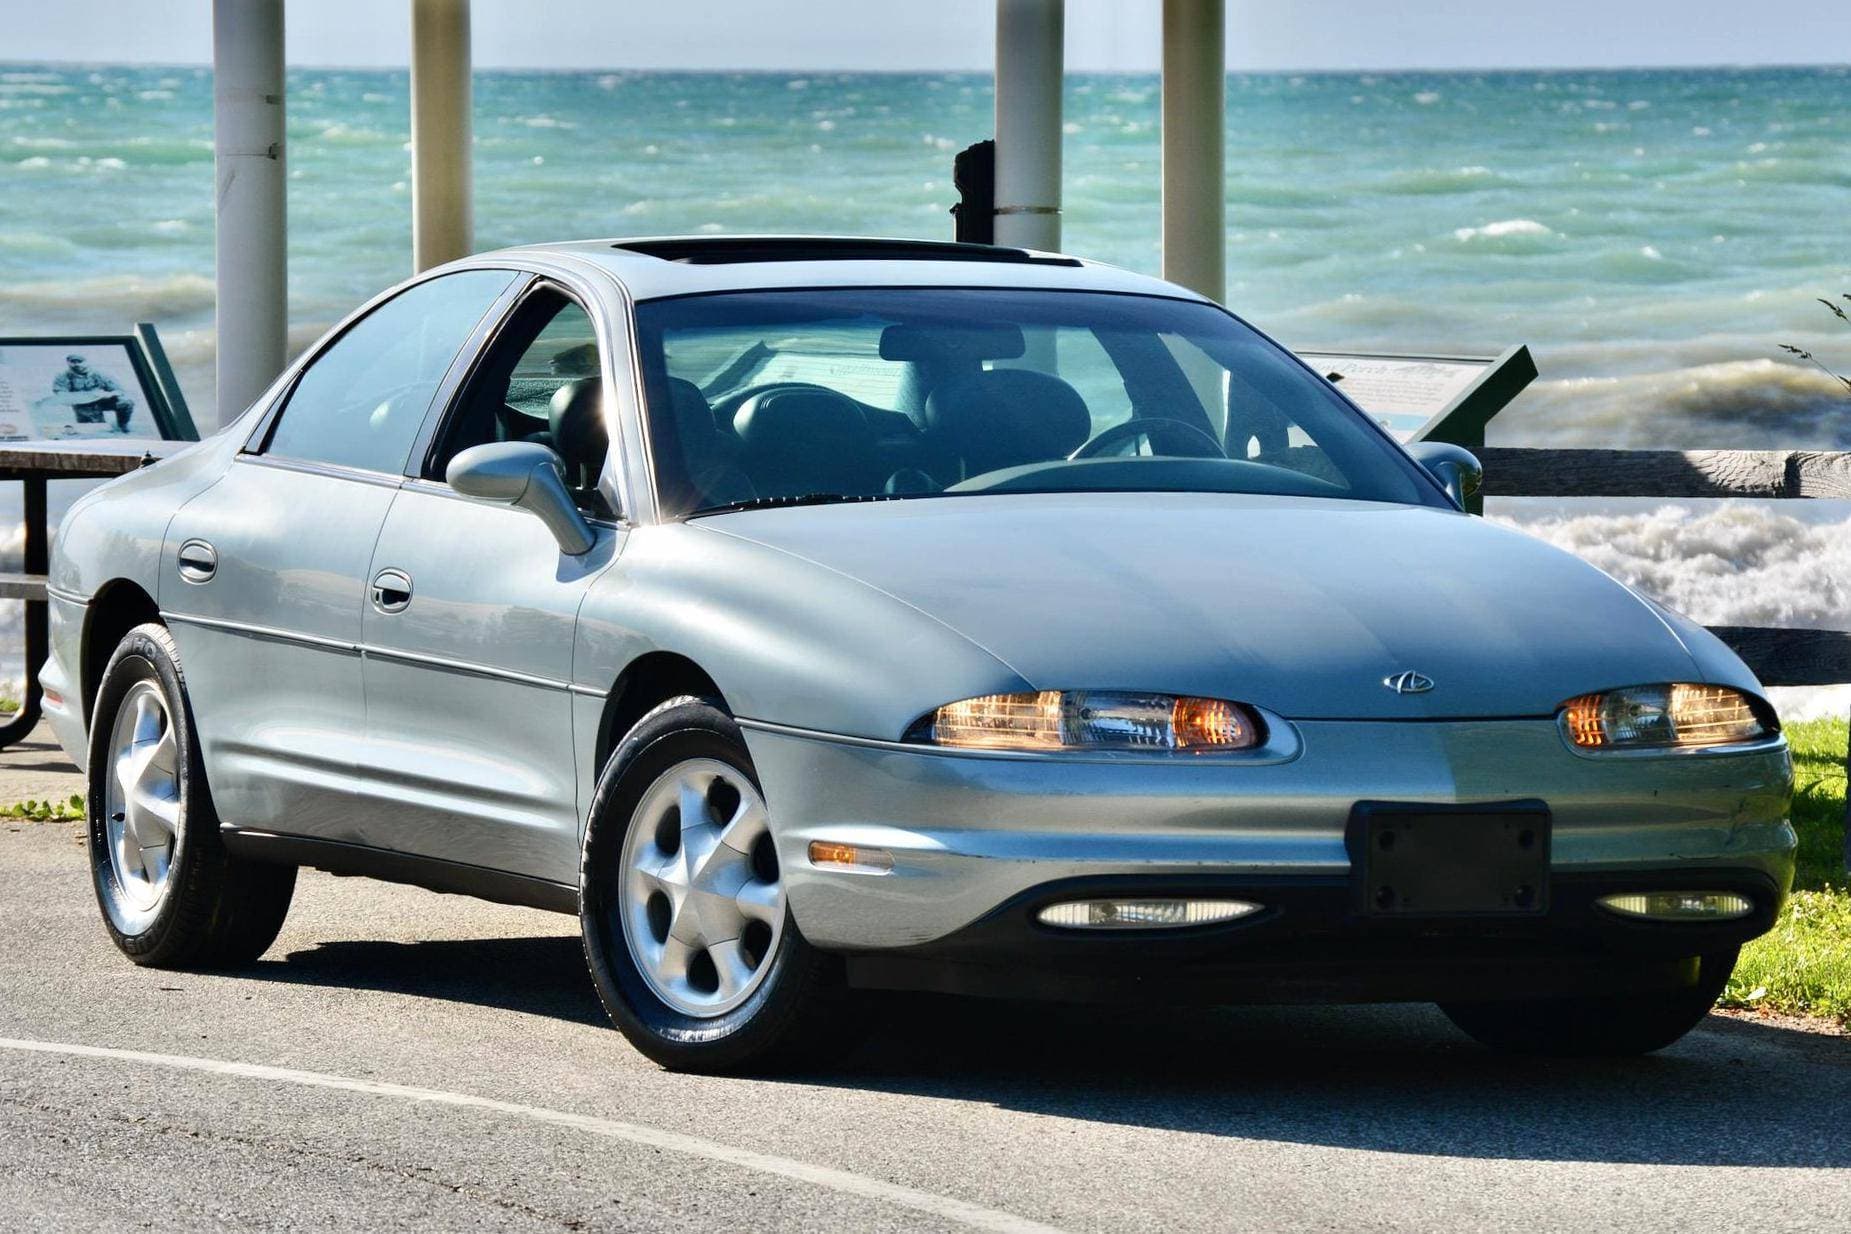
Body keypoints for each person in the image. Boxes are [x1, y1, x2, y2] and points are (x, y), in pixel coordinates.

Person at [52, 354, 136, 432]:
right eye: (73, 362)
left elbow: (118, 390)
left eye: (79, 362)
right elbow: (60, 392)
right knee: (99, 431)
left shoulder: (99, 374)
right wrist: (68, 399)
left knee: (126, 403)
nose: (77, 364)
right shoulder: (63, 376)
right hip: (82, 404)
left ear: (85, 362)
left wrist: (109, 394)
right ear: (68, 363)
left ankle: (122, 425)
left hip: (101, 400)